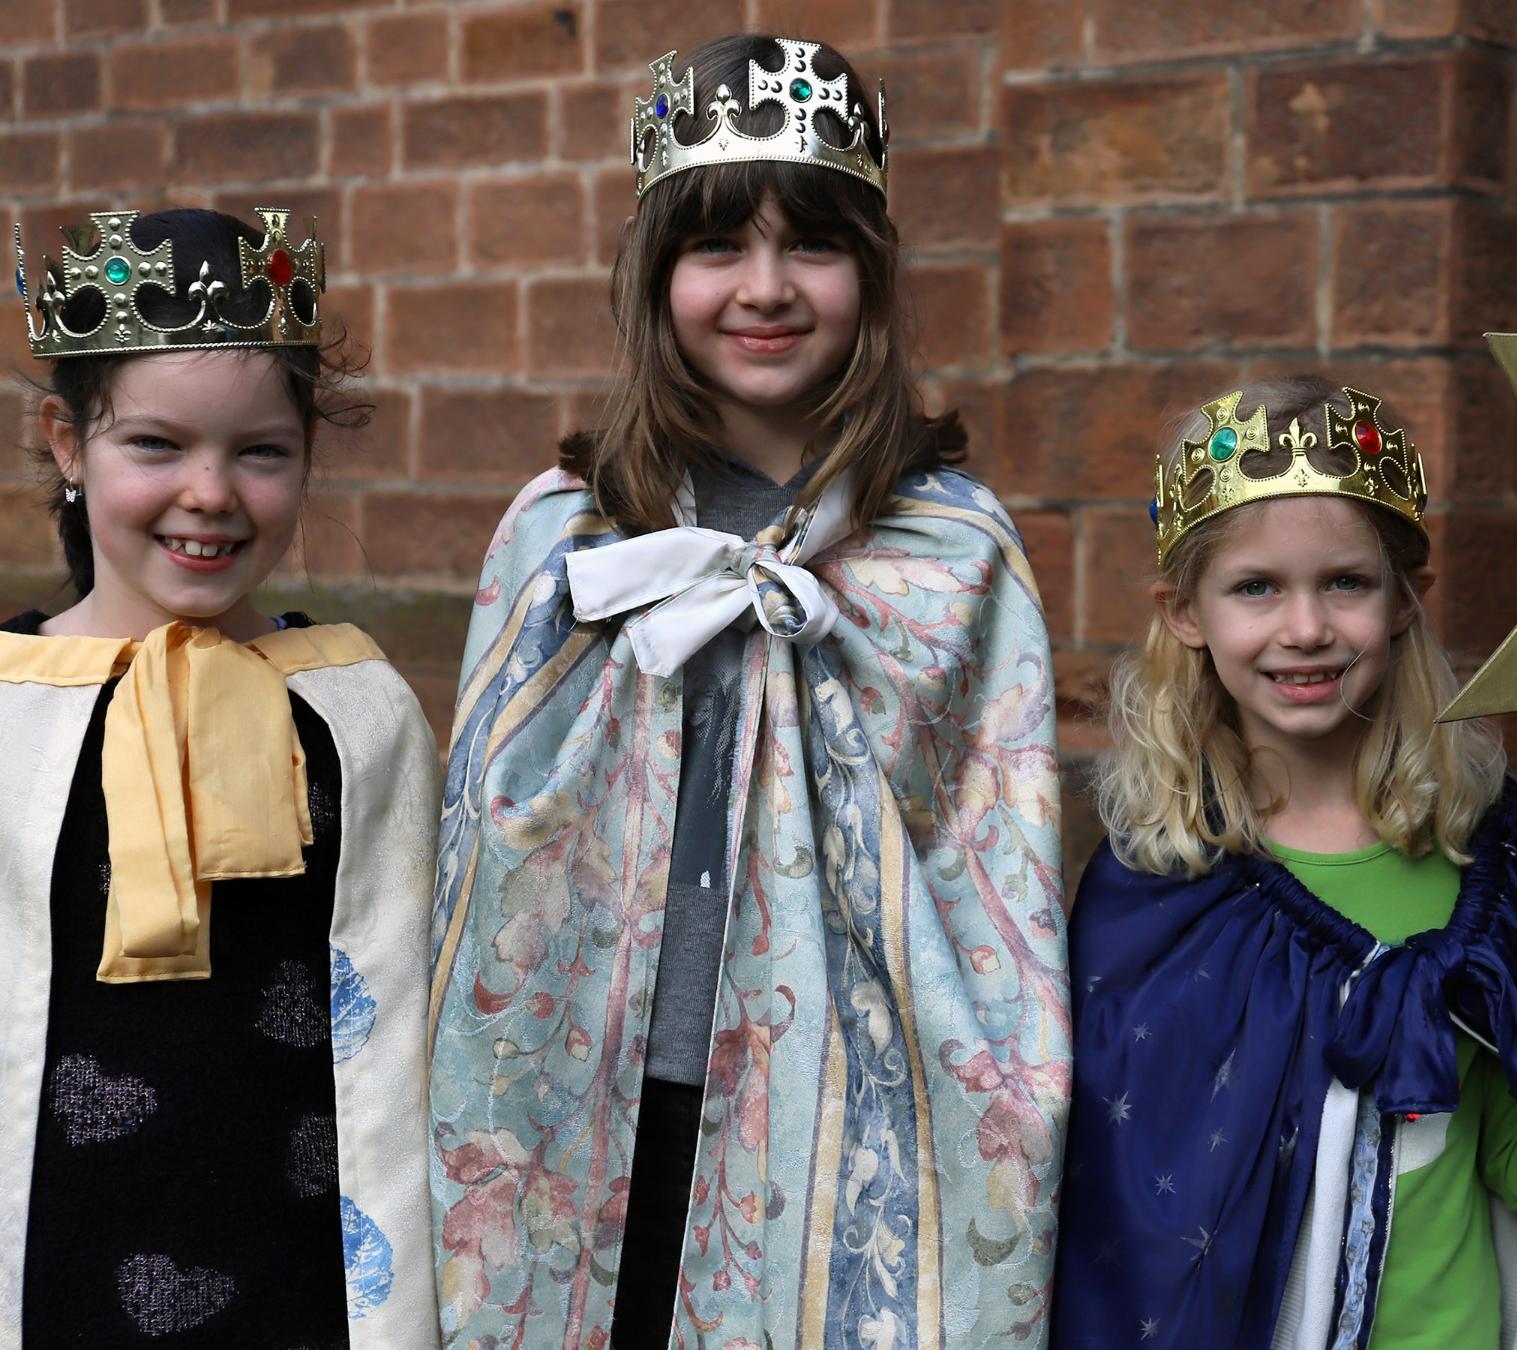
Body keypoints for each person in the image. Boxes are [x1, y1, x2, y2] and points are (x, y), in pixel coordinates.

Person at [427, 32, 1069, 1349]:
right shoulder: (566, 536)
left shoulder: (952, 548)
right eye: (718, 248)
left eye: (811, 247)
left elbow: (991, 865)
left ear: (871, 276)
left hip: (846, 1122)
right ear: (658, 275)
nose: (765, 289)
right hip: (597, 1101)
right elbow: (483, 841)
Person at [0, 207, 440, 1346]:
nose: (210, 493)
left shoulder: (359, 715)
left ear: (309, 453)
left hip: (306, 1266)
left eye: (260, 451)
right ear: (69, 444)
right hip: (42, 1268)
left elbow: (415, 1023)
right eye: (156, 445)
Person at [1051, 378, 1517, 1349]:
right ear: (1185, 612)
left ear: (1409, 598)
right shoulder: (1158, 889)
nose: (1307, 628)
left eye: (1345, 582)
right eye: (1256, 588)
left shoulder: (1492, 861)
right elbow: (1123, 1224)